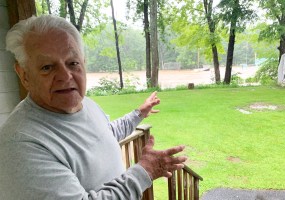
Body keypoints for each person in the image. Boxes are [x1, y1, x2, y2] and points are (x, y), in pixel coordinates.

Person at [0, 15, 187, 200]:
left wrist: (138, 114)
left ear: (83, 63)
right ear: (24, 75)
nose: (65, 76)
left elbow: (105, 136)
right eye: (47, 67)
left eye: (72, 63)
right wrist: (144, 171)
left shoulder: (85, 104)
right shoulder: (21, 144)